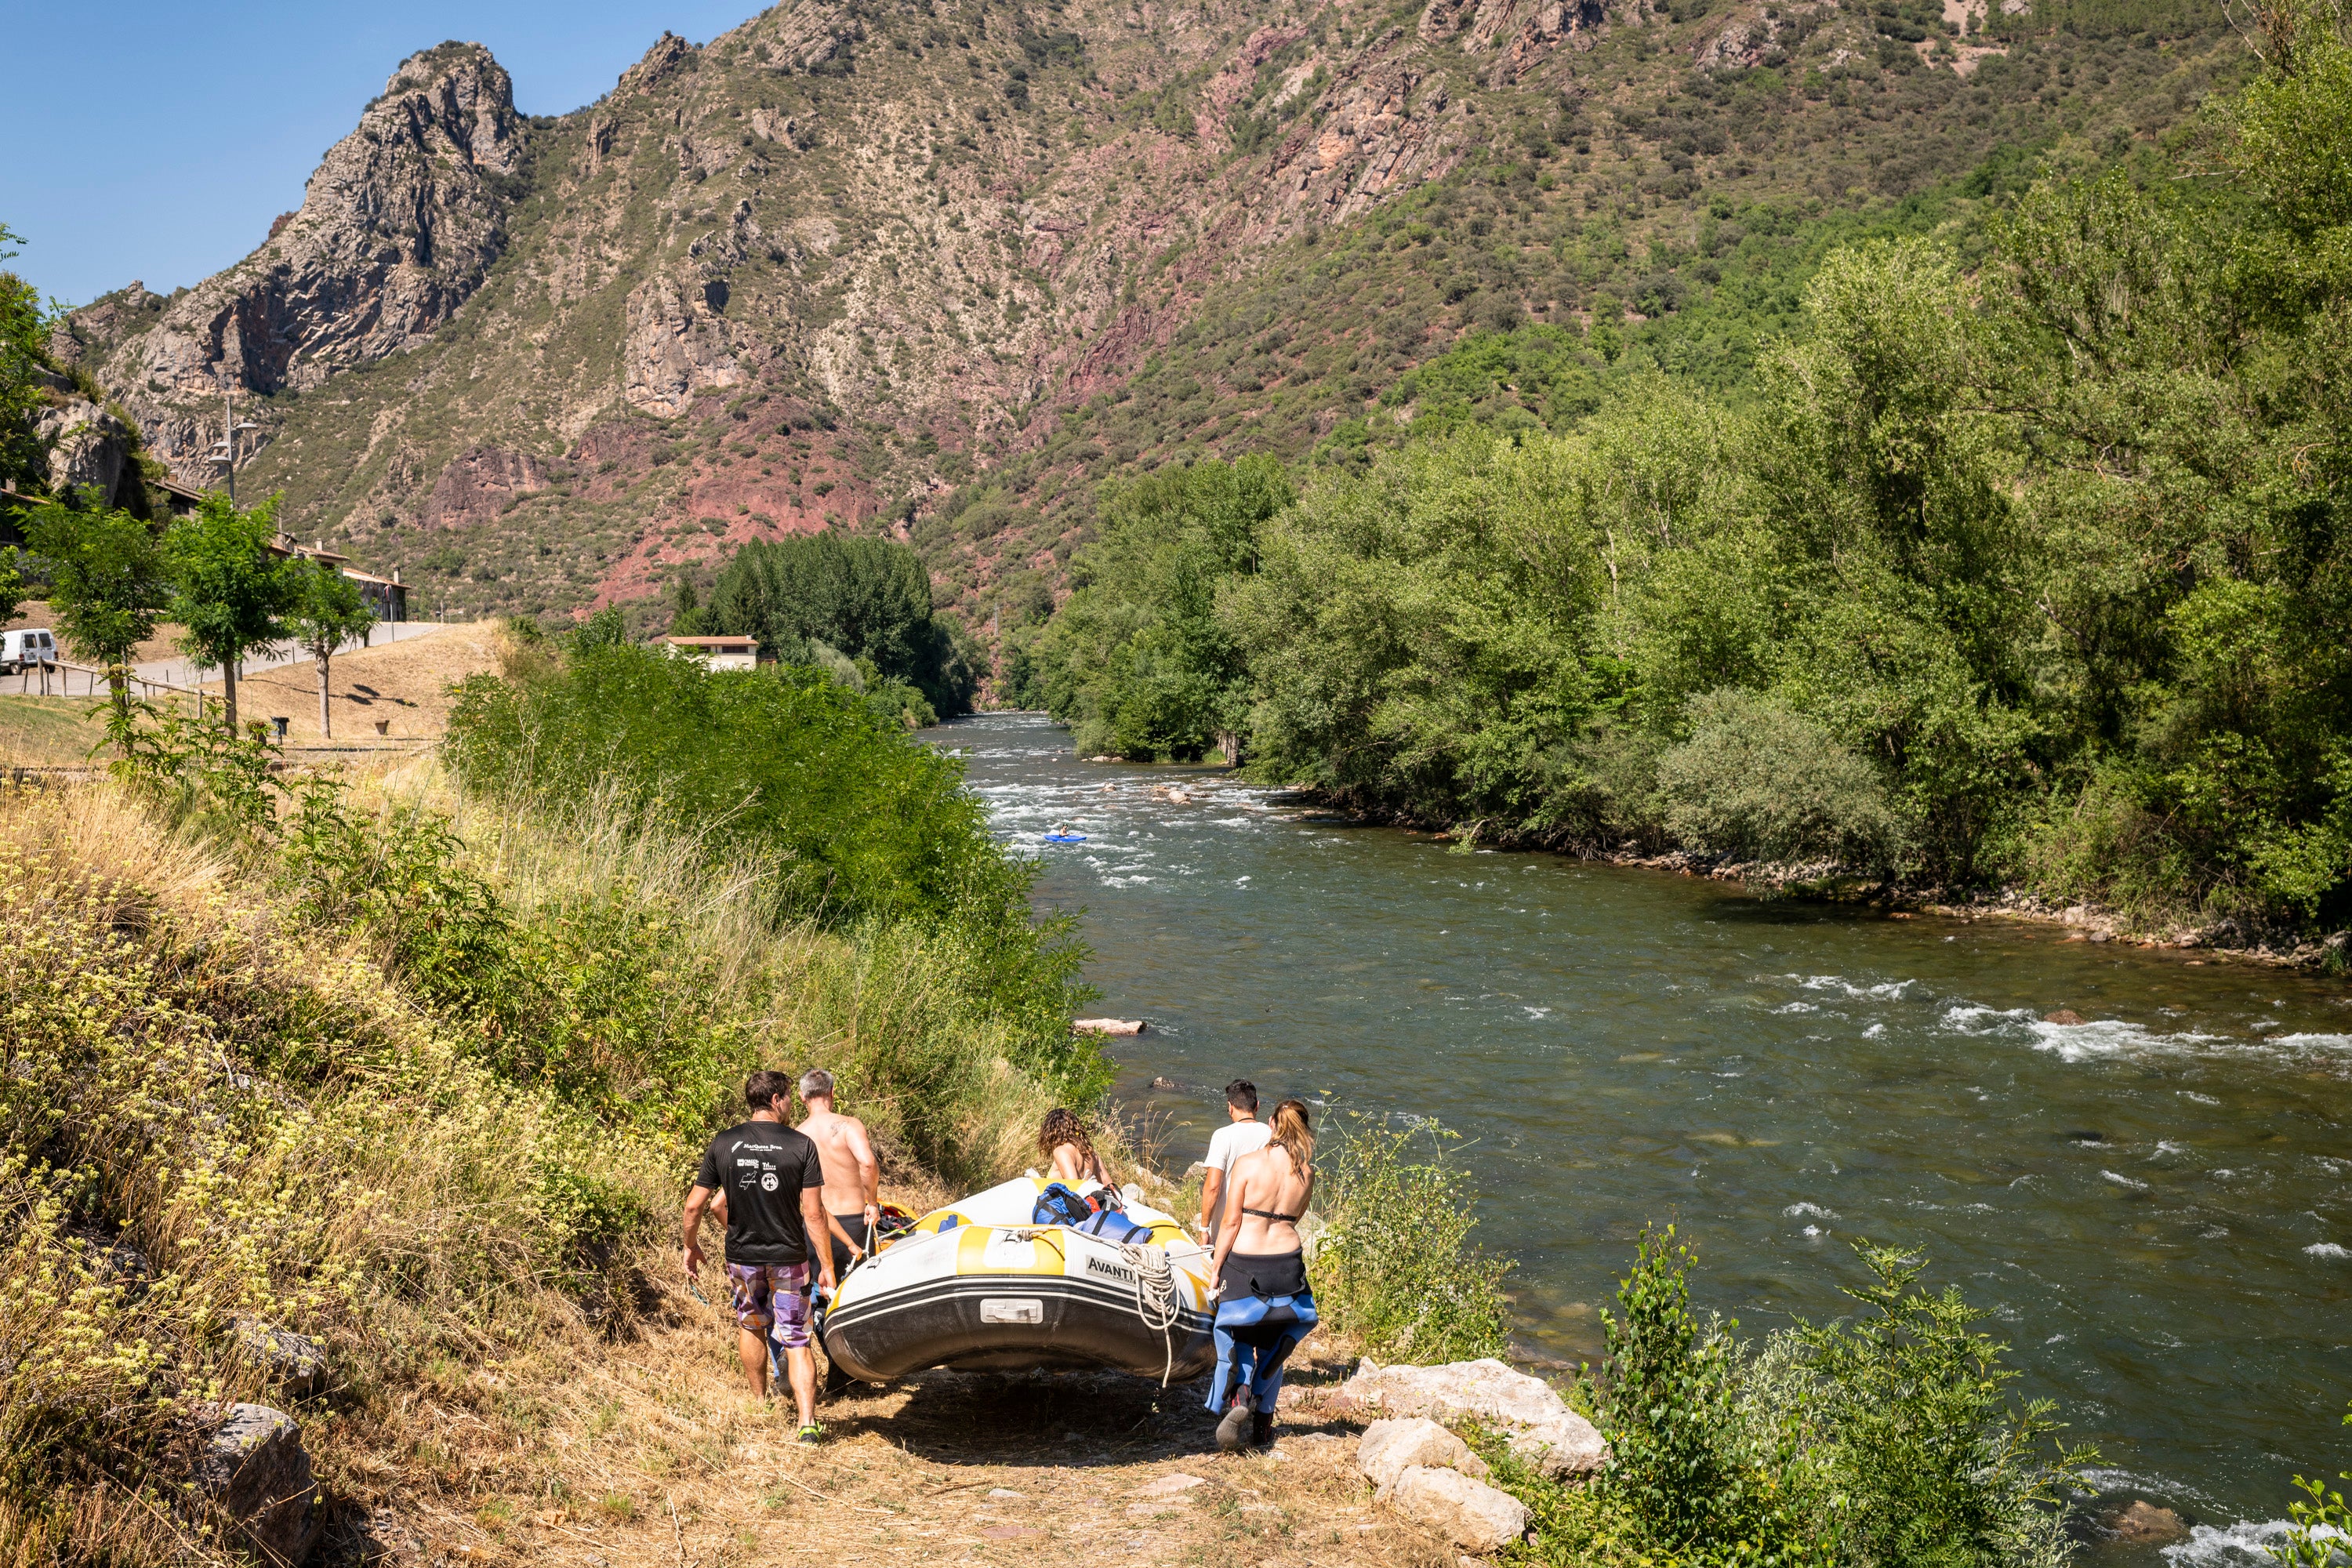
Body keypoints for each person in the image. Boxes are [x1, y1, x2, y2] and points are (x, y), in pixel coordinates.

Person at [681, 1070, 838, 1443]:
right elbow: (814, 1214)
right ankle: (806, 1424)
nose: (788, 1105)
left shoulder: (723, 1142)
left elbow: (694, 1206)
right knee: (797, 1339)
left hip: (743, 1256)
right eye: (786, 1098)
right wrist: (828, 1266)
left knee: (752, 1325)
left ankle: (759, 1404)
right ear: (775, 1100)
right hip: (789, 1257)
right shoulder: (801, 1146)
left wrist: (690, 1245)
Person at [1206, 1098, 1319, 1452]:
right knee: (1274, 1342)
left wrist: (1215, 1271)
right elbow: (1296, 1217)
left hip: (1247, 1260)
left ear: (1271, 1123)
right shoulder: (1307, 1172)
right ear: (1304, 1129)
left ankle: (1239, 1396)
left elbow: (1231, 1223)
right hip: (1287, 1264)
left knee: (1240, 1331)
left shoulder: (1248, 1163)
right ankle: (1263, 1429)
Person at [797, 1069, 881, 1281]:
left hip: (816, 1226)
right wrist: (872, 1202)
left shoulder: (796, 1136)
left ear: (802, 1096)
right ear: (832, 1092)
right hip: (855, 1223)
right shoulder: (849, 1126)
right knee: (859, 1291)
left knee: (822, 1292)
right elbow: (868, 1164)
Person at [1196, 1079, 1271, 1246]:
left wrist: (1204, 1229)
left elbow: (1213, 1186)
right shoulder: (1271, 1134)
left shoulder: (1223, 1136)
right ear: (1257, 1106)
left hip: (1226, 1229)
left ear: (1230, 1107)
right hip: (1260, 1230)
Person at [1039, 1107, 1114, 1189]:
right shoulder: (1093, 1155)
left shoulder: (1062, 1151)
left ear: (1051, 1133)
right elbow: (1110, 1186)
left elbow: (1073, 1186)